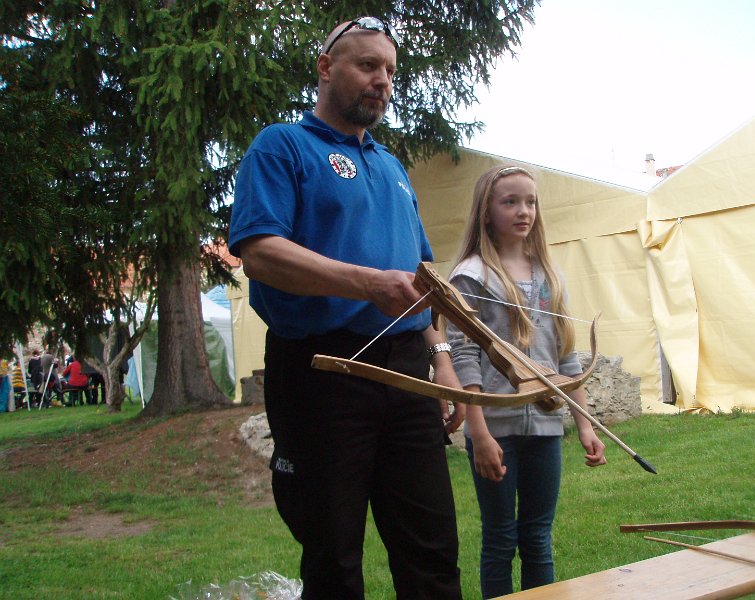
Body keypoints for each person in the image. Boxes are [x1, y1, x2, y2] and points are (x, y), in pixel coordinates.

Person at [228, 17, 463, 600]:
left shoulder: (391, 166)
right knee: (332, 554)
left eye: (390, 71)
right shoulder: (283, 145)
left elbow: (421, 277)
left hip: (408, 369)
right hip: (322, 369)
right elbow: (260, 253)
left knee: (432, 546)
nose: (382, 81)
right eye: (367, 66)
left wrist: (444, 359)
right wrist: (365, 284)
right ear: (326, 68)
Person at [446, 165, 607, 599]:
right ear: (486, 211)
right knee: (500, 539)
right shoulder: (471, 275)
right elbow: (465, 356)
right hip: (495, 429)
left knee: (538, 536)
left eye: (531, 202)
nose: (524, 211)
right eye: (510, 201)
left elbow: (566, 357)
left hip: (546, 427)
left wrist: (585, 425)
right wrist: (477, 432)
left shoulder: (549, 275)